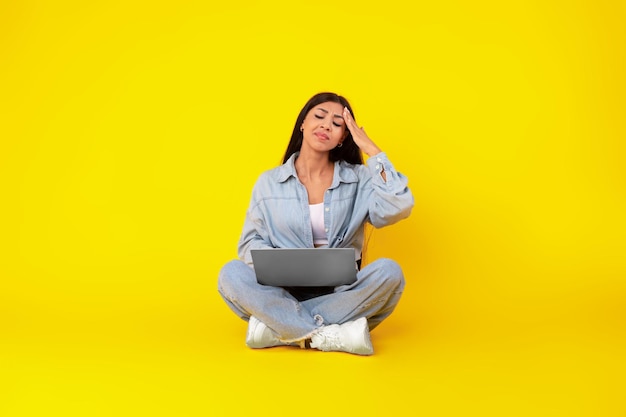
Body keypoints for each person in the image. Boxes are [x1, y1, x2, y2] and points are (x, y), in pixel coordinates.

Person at [218, 92, 414, 355]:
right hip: (280, 291)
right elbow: (249, 244)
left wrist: (373, 151)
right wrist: (284, 264)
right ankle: (329, 335)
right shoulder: (269, 182)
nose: (325, 125)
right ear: (302, 123)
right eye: (319, 117)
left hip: (340, 293)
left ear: (345, 136)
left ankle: (281, 329)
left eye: (337, 123)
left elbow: (398, 206)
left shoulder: (359, 178)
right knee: (230, 274)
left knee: (390, 273)